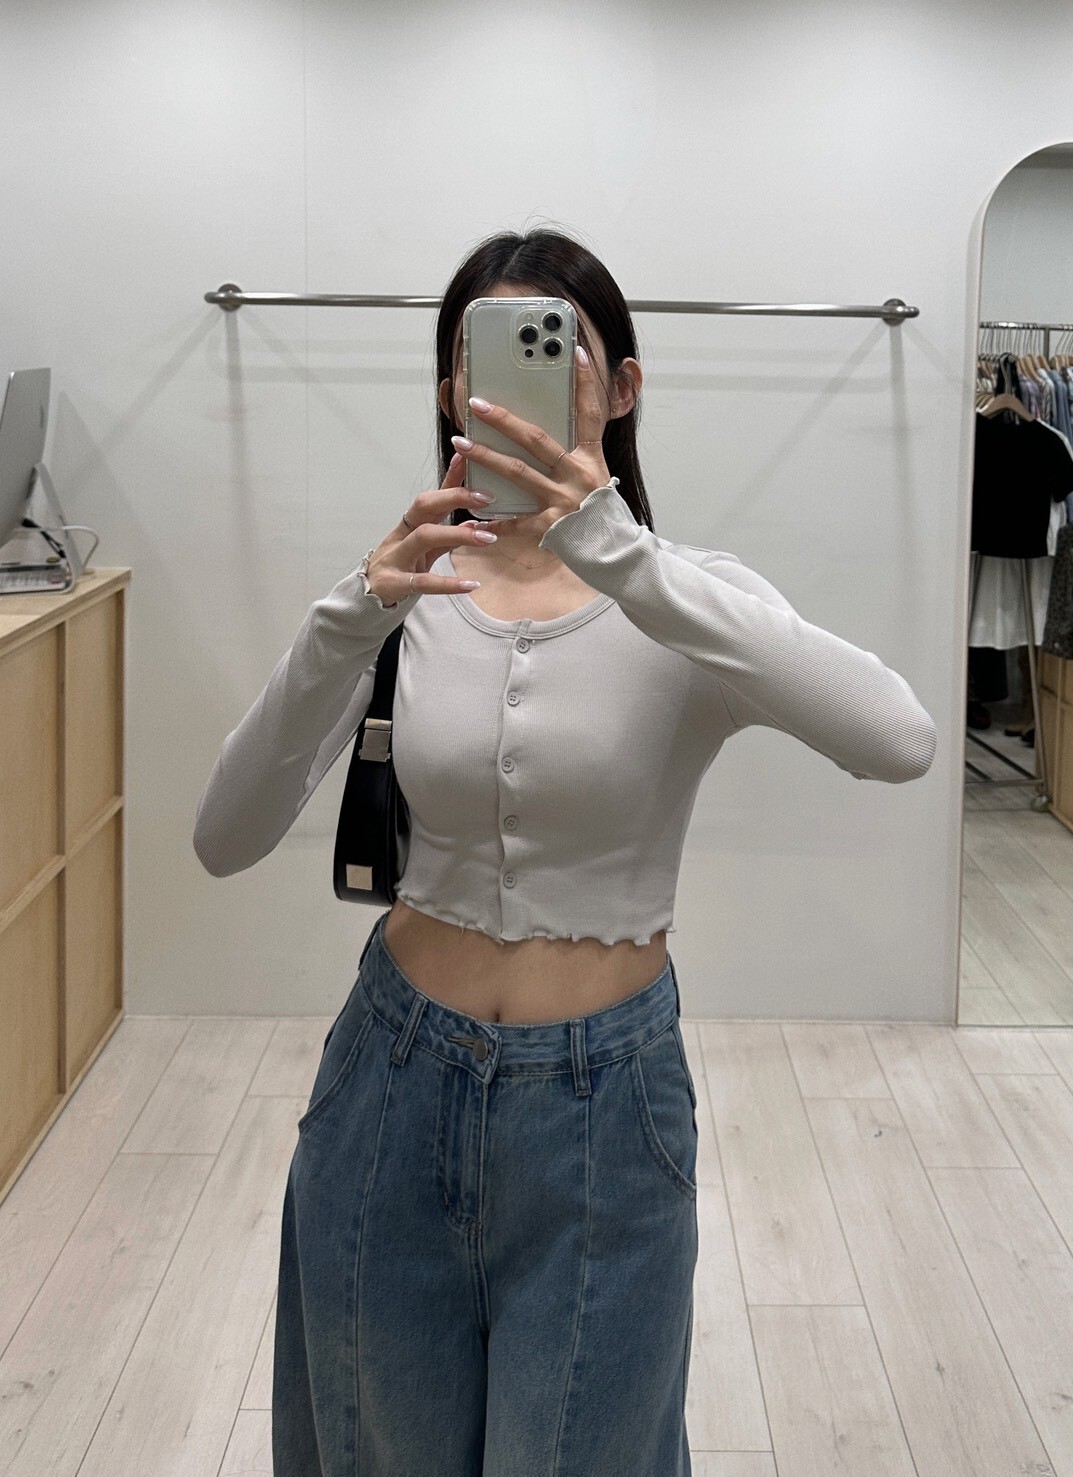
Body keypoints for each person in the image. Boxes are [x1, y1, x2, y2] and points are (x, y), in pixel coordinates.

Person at [193, 227, 938, 1477]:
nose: (509, 381)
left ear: (622, 386)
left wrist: (617, 552)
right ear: (449, 389)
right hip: (389, 1082)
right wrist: (351, 613)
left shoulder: (685, 598)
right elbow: (224, 837)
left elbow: (899, 739)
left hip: (607, 1109)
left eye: (556, 348)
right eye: (476, 353)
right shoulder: (401, 597)